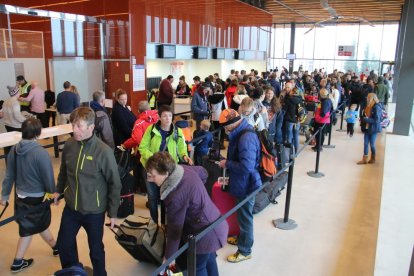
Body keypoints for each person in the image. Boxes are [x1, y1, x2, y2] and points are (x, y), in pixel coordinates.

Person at [54, 107, 122, 276]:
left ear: (91, 127)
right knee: (64, 244)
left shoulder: (103, 151)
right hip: (72, 207)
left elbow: (115, 183)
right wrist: (58, 190)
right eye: (73, 125)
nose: (74, 130)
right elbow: (64, 171)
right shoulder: (69, 145)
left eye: (79, 126)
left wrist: (112, 212)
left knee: (96, 250)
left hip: (94, 211)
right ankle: (73, 271)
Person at [145, 152, 228, 275]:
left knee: (197, 267)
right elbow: (203, 172)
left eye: (152, 175)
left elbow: (175, 232)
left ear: (166, 173)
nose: (149, 179)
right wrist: (198, 196)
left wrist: (168, 258)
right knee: (209, 257)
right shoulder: (183, 169)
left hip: (204, 234)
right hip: (215, 222)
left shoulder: (174, 196)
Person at [1, 118, 58, 273]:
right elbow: (48, 178)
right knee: (28, 229)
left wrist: (5, 194)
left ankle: (56, 247)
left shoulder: (14, 149)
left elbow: (9, 175)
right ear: (38, 133)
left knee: (36, 224)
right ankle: (17, 262)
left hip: (20, 196)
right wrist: (53, 194)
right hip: (37, 198)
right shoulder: (40, 153)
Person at [218, 109, 261, 263]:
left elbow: (247, 166)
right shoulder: (241, 132)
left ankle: (245, 250)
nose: (225, 130)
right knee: (242, 215)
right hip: (242, 181)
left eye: (225, 126)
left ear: (232, 123)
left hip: (247, 183)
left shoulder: (246, 137)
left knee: (245, 217)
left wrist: (227, 163)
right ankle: (242, 238)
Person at [139, 105, 192, 225]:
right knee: (152, 198)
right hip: (151, 169)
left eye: (169, 115)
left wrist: (184, 156)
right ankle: (153, 224)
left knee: (167, 197)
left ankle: (164, 224)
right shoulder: (151, 129)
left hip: (168, 170)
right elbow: (142, 147)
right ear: (159, 117)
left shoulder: (177, 131)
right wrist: (154, 158)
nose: (167, 118)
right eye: (164, 116)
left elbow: (181, 147)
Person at [120, 101, 159, 194]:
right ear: (149, 108)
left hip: (144, 153)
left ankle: (142, 189)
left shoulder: (139, 122)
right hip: (158, 150)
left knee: (142, 170)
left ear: (138, 111)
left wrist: (124, 145)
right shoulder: (158, 117)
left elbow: (136, 139)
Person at [357, 93, 382, 165]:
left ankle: (373, 158)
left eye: (368, 97)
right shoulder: (369, 105)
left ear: (372, 98)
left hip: (373, 129)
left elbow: (377, 120)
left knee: (372, 144)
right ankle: (364, 159)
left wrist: (366, 119)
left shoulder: (377, 107)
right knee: (365, 143)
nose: (367, 99)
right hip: (367, 128)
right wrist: (363, 119)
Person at [283, 86, 303, 153]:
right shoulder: (300, 99)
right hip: (297, 120)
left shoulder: (288, 99)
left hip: (289, 120)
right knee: (296, 135)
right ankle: (296, 149)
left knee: (289, 135)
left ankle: (290, 151)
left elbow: (284, 110)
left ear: (292, 92)